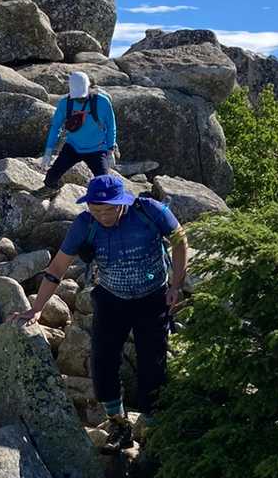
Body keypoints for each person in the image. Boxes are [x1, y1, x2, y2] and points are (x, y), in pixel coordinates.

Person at [13, 173, 187, 446]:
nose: (103, 216)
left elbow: (179, 240)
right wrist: (37, 308)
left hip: (153, 297)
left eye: (108, 210)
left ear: (123, 203)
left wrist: (176, 285)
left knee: (152, 364)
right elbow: (57, 267)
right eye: (96, 210)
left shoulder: (149, 211)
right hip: (111, 298)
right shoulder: (85, 224)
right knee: (102, 362)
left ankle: (152, 428)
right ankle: (119, 425)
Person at [41, 71, 117, 188]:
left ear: (89, 87)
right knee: (49, 180)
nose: (79, 99)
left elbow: (111, 126)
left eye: (82, 96)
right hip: (73, 148)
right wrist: (48, 151)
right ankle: (55, 190)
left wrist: (110, 149)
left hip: (97, 149)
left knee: (104, 184)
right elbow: (55, 127)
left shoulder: (102, 102)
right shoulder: (65, 103)